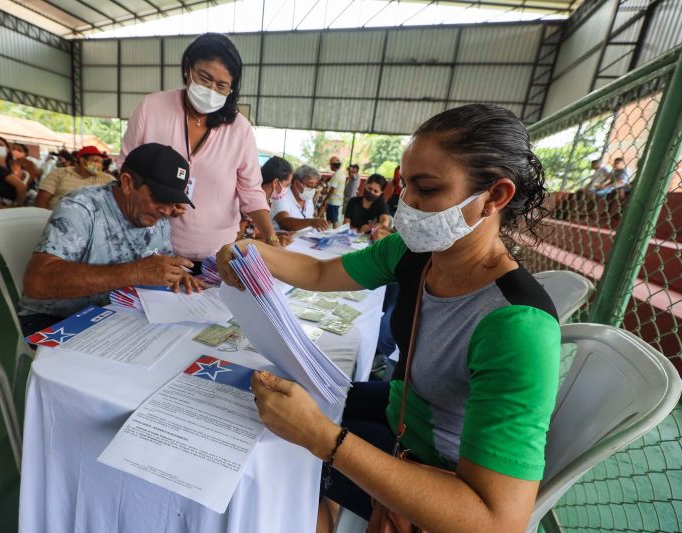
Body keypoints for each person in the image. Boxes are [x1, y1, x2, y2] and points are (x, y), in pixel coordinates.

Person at [216, 104, 560, 533]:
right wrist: (253, 251)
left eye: (427, 189)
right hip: (401, 416)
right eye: (405, 185)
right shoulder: (413, 254)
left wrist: (323, 439)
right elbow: (320, 273)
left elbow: (495, 521)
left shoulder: (518, 327)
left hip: (437, 469)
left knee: (282, 460)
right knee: (263, 413)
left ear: (495, 196)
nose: (406, 204)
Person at [119, 32, 278, 266]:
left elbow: (251, 191)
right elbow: (125, 169)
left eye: (221, 86)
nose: (211, 90)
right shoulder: (152, 108)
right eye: (204, 78)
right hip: (153, 252)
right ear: (188, 69)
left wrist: (270, 236)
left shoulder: (239, 129)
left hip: (218, 257)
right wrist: (161, 200)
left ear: (231, 89)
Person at [20, 143, 204, 335]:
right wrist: (135, 272)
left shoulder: (156, 216)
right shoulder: (81, 208)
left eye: (173, 201)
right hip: (55, 319)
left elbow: (158, 266)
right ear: (127, 183)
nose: (166, 210)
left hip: (116, 315)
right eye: (159, 197)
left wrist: (174, 274)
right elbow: (37, 282)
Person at [35, 145, 115, 210]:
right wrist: (43, 218)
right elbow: (42, 199)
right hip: (56, 218)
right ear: (83, 161)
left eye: (101, 162)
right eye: (96, 161)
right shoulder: (59, 173)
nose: (100, 165)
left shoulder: (106, 179)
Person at [239, 156, 294, 245]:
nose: (286, 189)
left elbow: (253, 233)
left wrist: (275, 236)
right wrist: (270, 241)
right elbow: (236, 240)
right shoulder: (253, 201)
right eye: (286, 185)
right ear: (275, 183)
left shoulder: (267, 201)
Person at [271, 164, 329, 232]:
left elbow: (310, 218)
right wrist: (311, 222)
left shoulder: (307, 197)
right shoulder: (282, 195)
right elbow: (284, 222)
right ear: (296, 182)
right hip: (285, 237)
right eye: (309, 185)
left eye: (314, 186)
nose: (312, 189)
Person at [0, 136, 27, 208]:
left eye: (0, 145)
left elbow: (21, 186)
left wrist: (17, 206)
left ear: (7, 149)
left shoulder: (13, 166)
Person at [324, 155, 346, 228]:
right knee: (330, 219)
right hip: (337, 200)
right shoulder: (342, 173)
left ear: (333, 165)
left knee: (334, 220)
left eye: (330, 165)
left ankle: (335, 233)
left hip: (333, 201)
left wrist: (325, 199)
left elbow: (332, 189)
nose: (330, 167)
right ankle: (327, 232)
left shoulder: (336, 175)